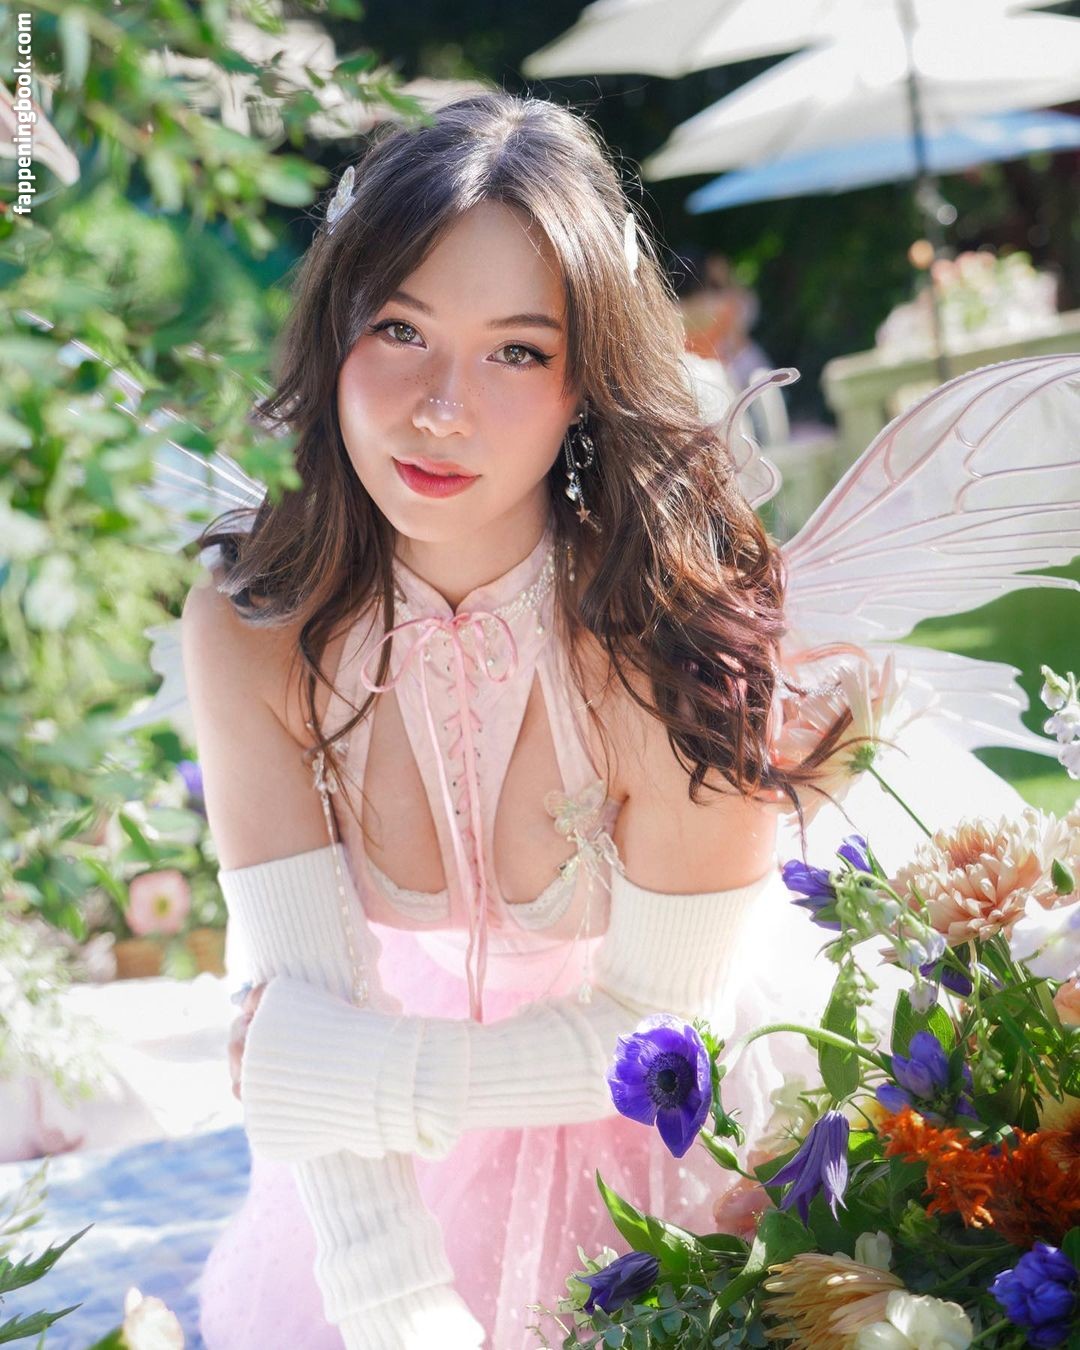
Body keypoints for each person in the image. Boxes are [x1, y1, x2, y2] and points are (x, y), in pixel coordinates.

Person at [179, 91, 1038, 1349]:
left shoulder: (670, 637)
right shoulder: (254, 624)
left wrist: (352, 1070)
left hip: (690, 1145)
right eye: (399, 328)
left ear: (585, 382)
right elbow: (307, 1004)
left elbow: (661, 1044)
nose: (440, 408)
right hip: (384, 1169)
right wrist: (395, 1312)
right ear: (331, 334)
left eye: (517, 352)